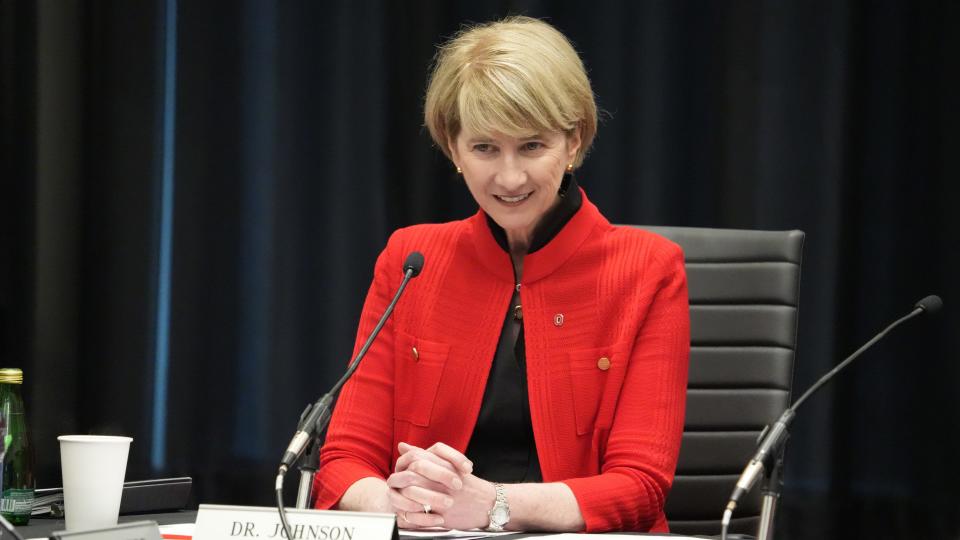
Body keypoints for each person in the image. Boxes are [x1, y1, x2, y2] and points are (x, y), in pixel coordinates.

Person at [312, 16, 689, 533]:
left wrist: (494, 505)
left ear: (573, 142)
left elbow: (639, 486)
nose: (509, 177)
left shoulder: (648, 269)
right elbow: (343, 461)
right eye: (485, 148)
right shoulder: (411, 259)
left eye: (532, 146)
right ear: (453, 147)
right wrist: (392, 504)